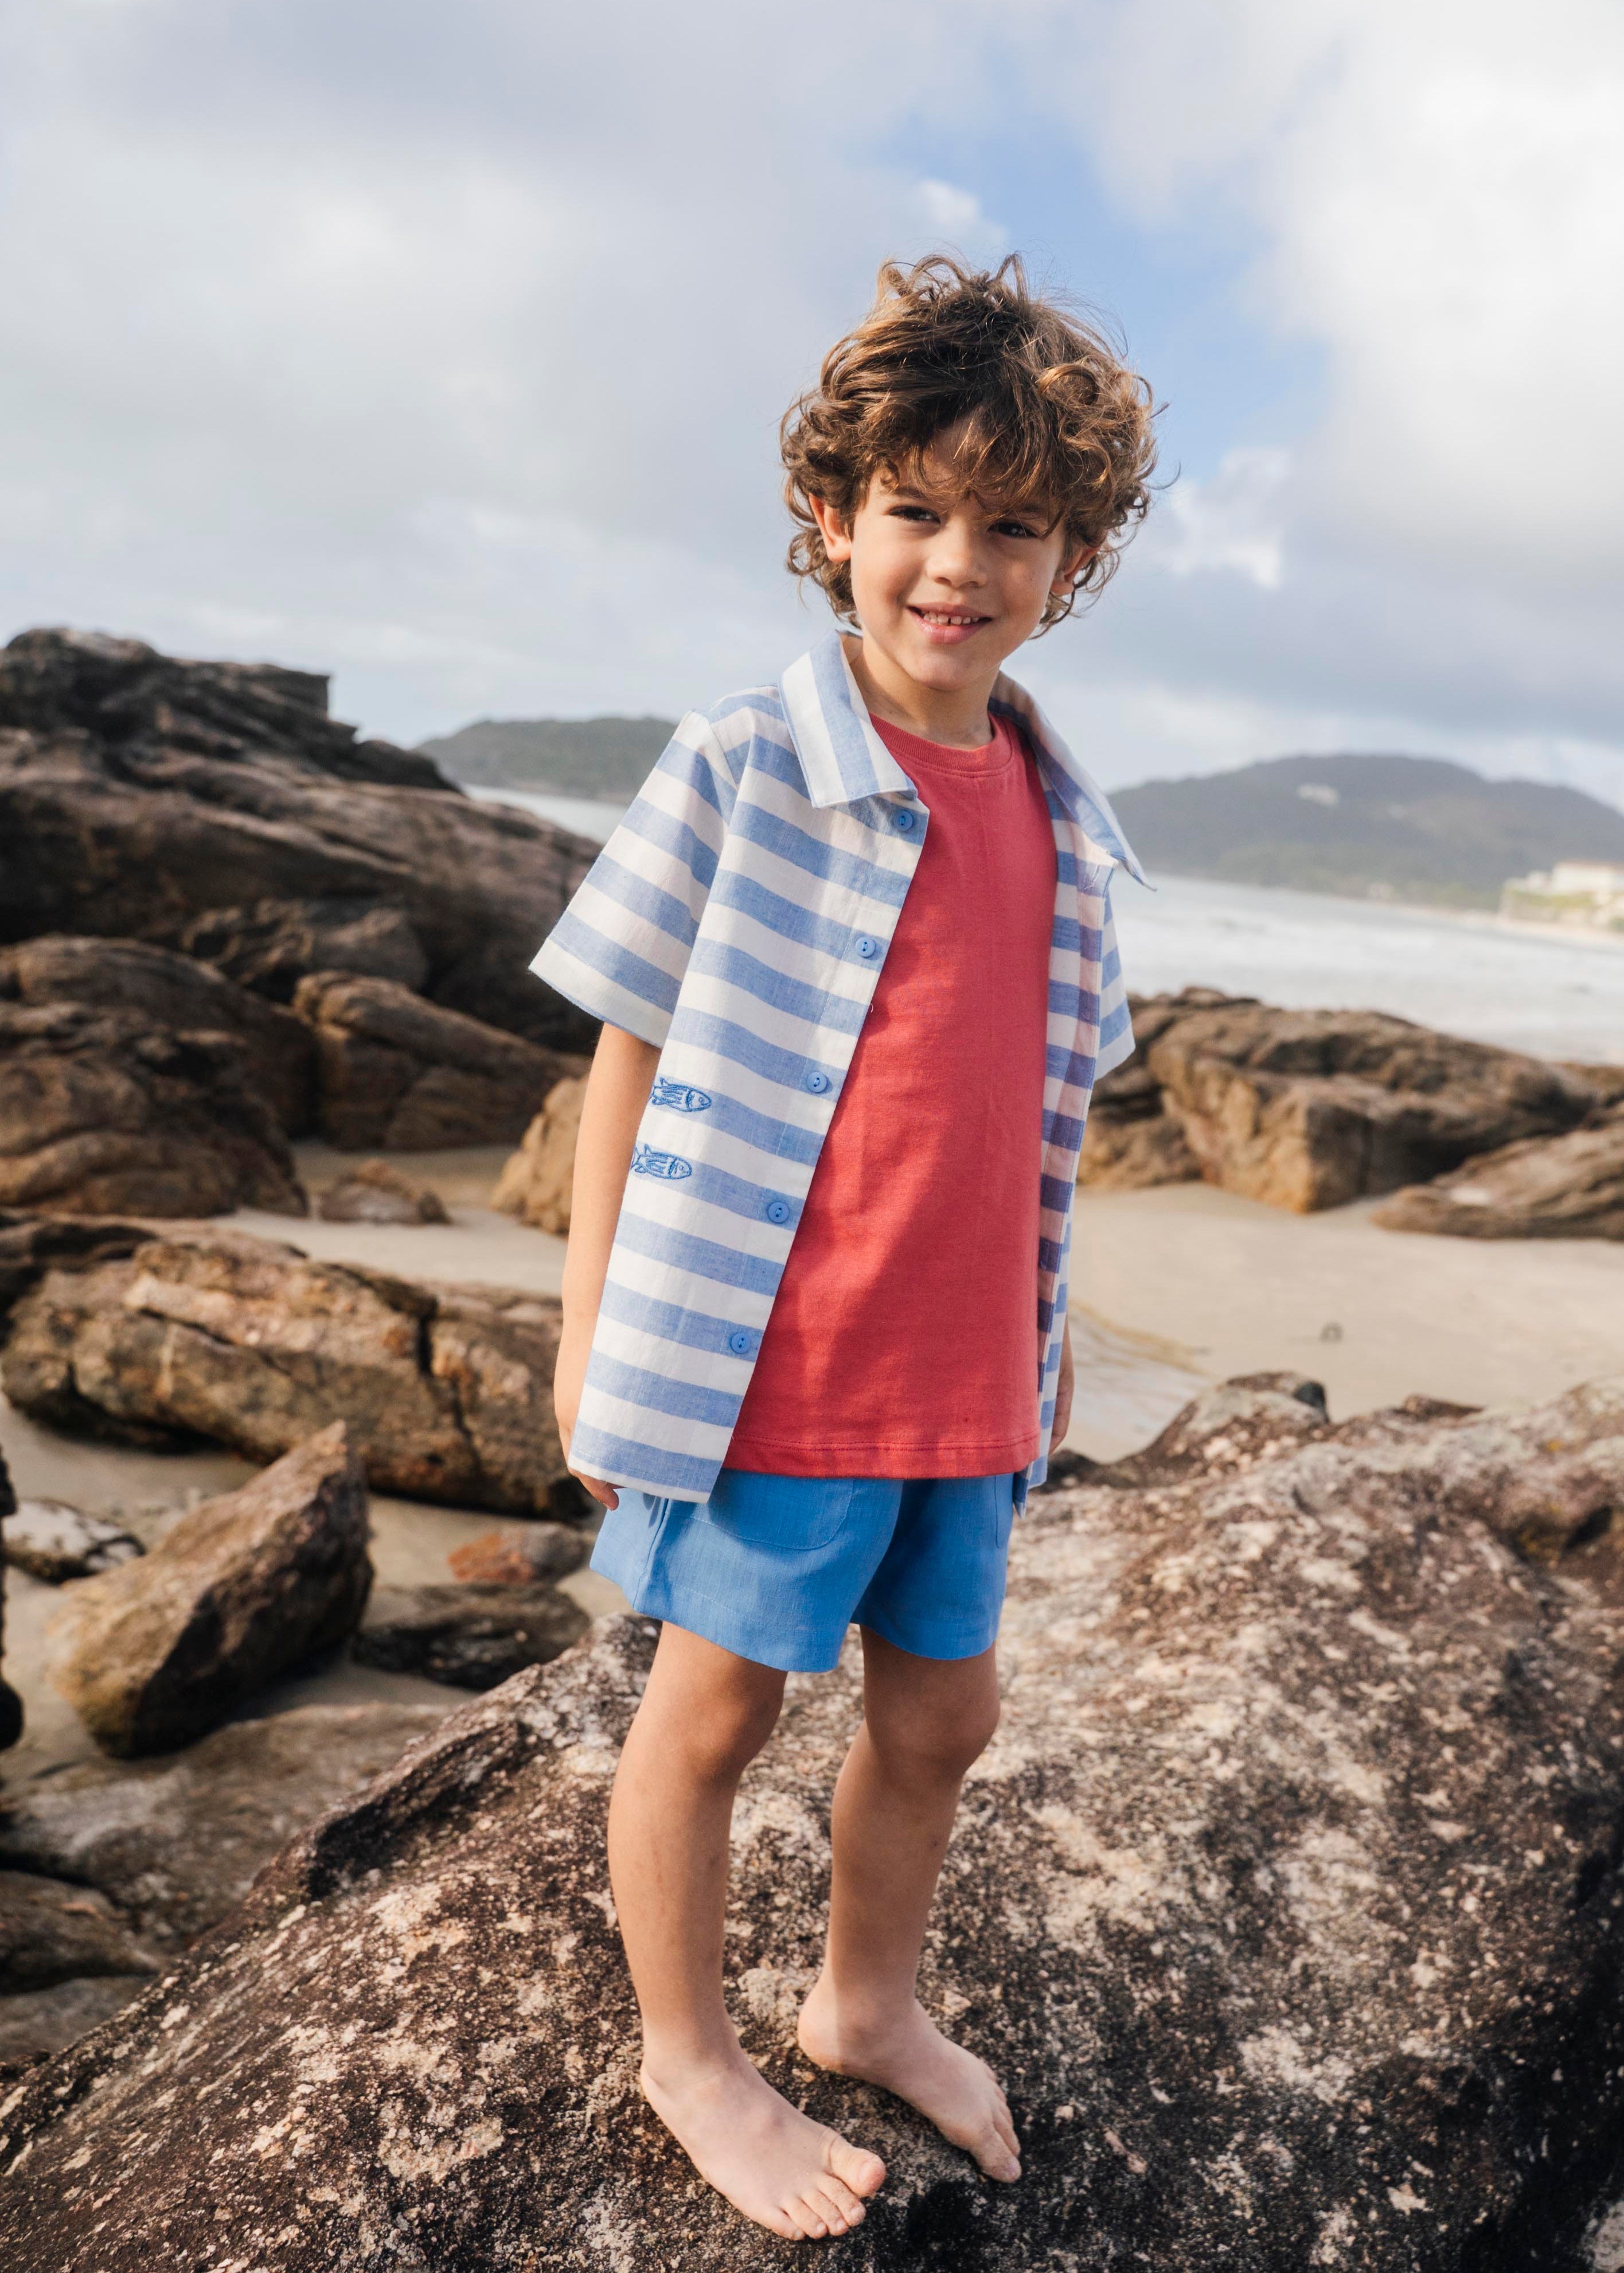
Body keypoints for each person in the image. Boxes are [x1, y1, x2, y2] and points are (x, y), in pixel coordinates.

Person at [534, 252, 1156, 2243]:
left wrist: (1050, 1330)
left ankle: (864, 1997)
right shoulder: (741, 764)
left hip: (965, 1371)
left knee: (943, 1714)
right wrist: (586, 1332)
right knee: (710, 1715)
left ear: (1075, 556)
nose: (956, 564)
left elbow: (1033, 1108)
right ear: (833, 515)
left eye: (1014, 525)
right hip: (769, 1365)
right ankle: (687, 2049)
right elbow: (623, 1057)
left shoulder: (1062, 818)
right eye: (915, 509)